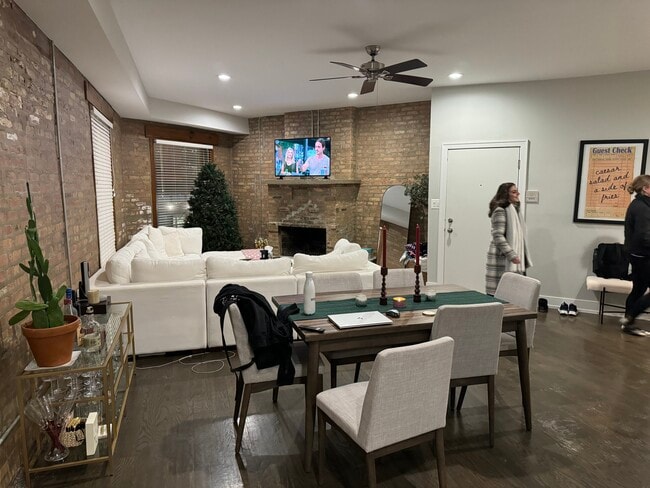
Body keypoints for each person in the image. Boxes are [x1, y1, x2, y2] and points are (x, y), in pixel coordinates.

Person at [485, 182, 532, 295]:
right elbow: (498, 235)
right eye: (514, 192)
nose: (518, 194)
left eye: (517, 191)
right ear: (506, 194)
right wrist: (512, 255)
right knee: (499, 293)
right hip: (502, 257)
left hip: (511, 257)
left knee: (513, 293)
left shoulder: (515, 210)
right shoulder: (500, 210)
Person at [620, 174, 650, 336]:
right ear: (645, 189)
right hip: (642, 255)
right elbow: (644, 236)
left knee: (639, 289)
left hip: (637, 254)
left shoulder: (640, 204)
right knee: (639, 289)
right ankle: (629, 318)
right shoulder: (641, 207)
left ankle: (628, 323)